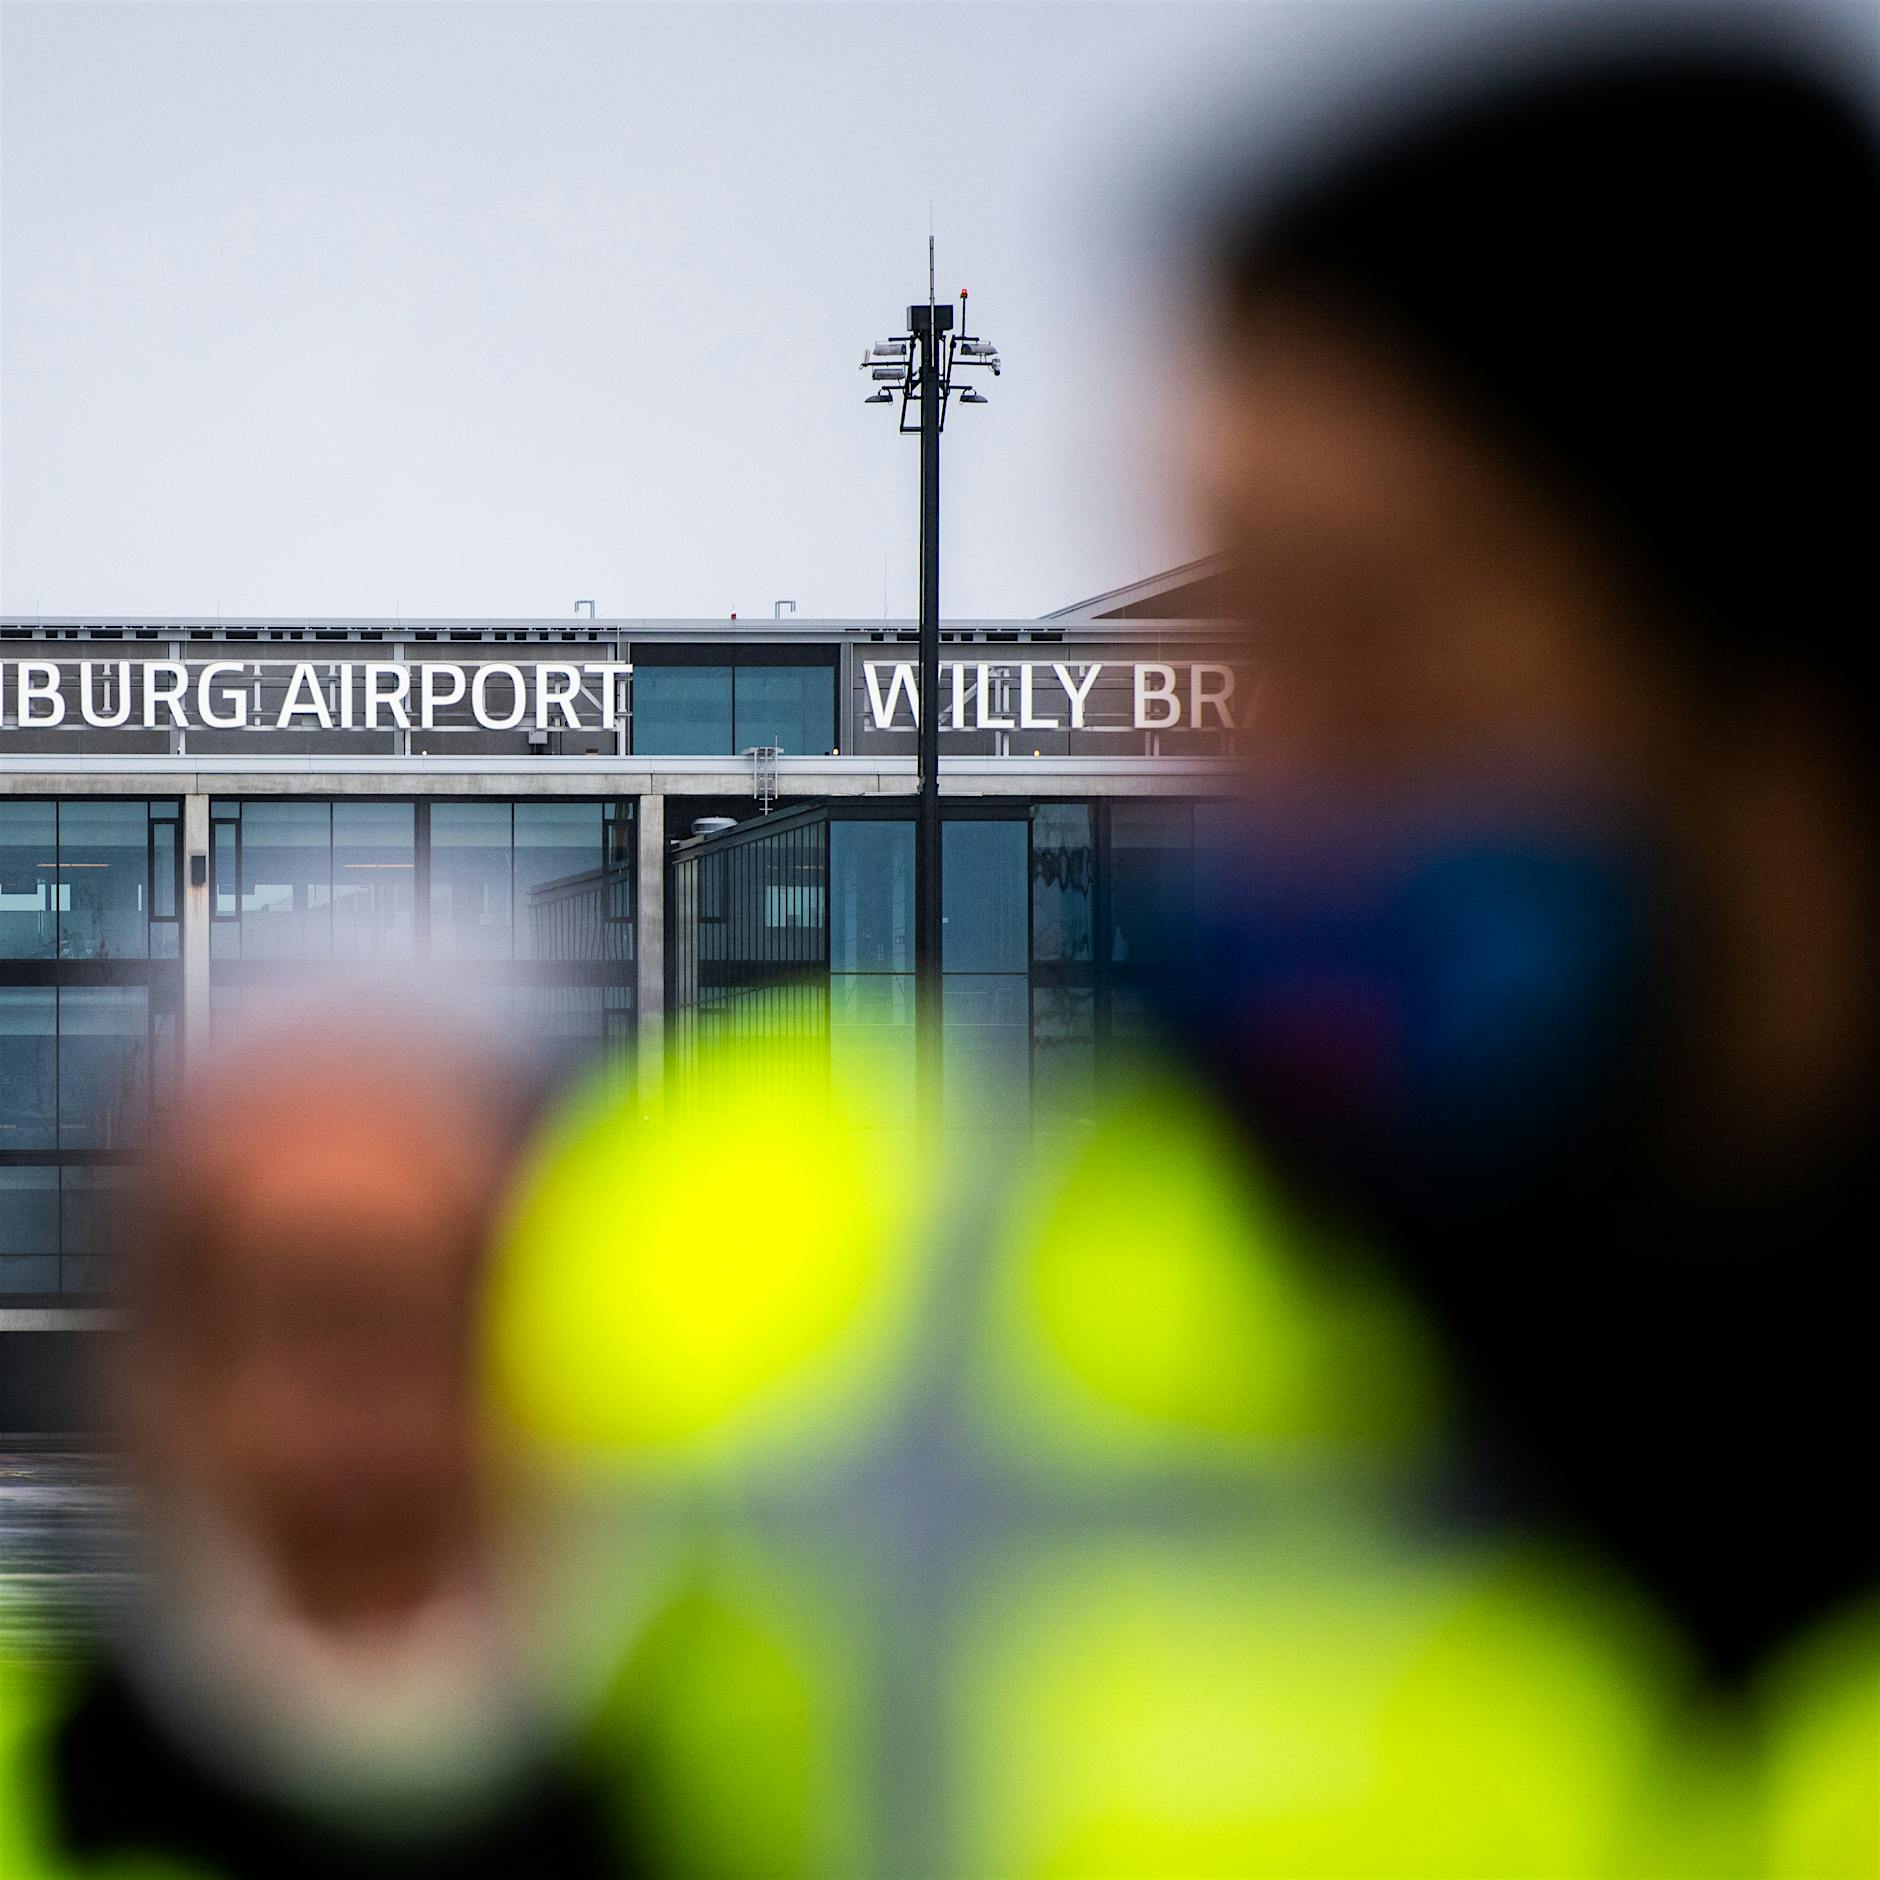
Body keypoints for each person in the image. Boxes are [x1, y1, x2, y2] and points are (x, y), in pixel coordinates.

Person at [487, 16, 1879, 1877]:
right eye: (1231, 617)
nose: (1252, 759)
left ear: (1787, 706)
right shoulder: (797, 1295)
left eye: (1379, 633)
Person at [0, 1002, 647, 1879]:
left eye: (417, 1325)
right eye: (299, 1319)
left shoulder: (696, 1776)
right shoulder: (42, 1789)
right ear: (170, 1380)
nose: (358, 1412)